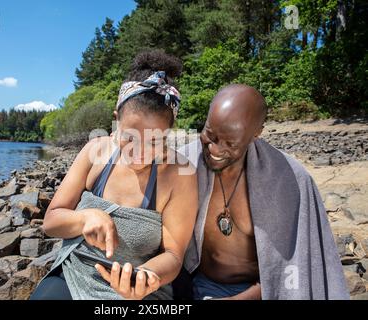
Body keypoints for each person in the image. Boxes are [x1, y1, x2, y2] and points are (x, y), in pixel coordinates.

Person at [30, 50, 198, 300]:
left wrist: (143, 278)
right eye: (130, 137)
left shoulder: (179, 175)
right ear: (116, 120)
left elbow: (173, 255)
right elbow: (51, 222)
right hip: (77, 272)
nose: (139, 153)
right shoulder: (94, 152)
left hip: (143, 289)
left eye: (154, 142)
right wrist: (85, 218)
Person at [177, 84, 349, 300]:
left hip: (265, 293)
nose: (214, 148)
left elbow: (294, 266)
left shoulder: (289, 179)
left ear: (256, 133)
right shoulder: (183, 164)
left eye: (230, 143)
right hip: (201, 285)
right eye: (209, 134)